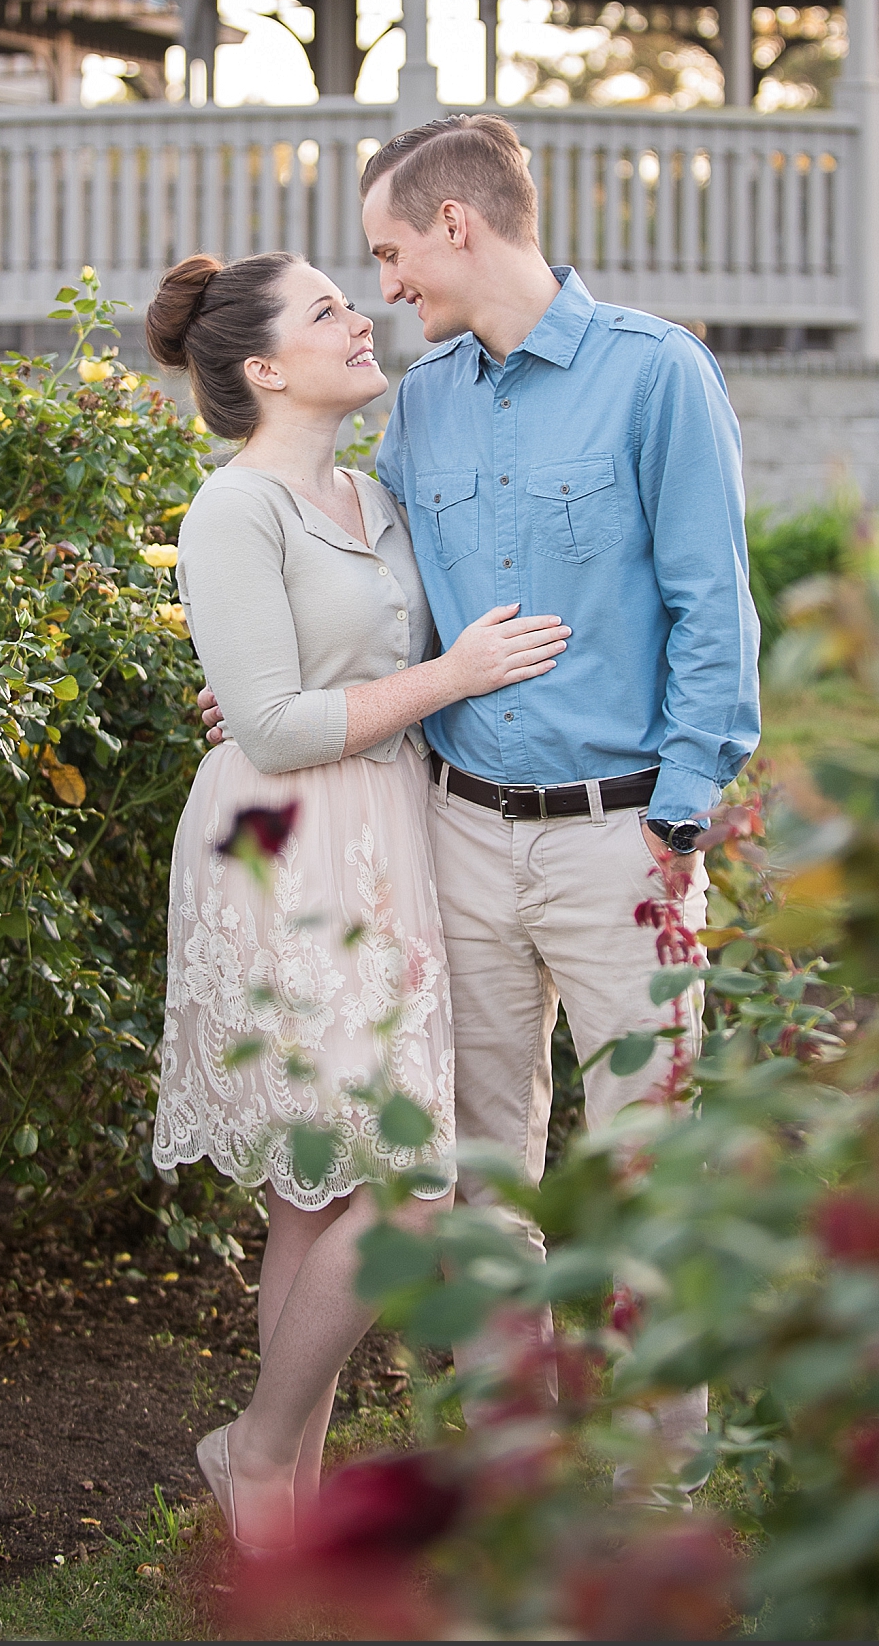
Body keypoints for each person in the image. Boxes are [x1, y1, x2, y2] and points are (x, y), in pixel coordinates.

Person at [200, 114, 759, 1474]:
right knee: (470, 1171)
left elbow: (714, 614)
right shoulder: (427, 402)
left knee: (644, 1163)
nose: (385, 284)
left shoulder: (656, 376)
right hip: (450, 829)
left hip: (623, 834)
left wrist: (678, 822)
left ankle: (649, 1482)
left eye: (391, 252)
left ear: (457, 226)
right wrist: (266, 693)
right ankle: (523, 1469)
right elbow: (381, 598)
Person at [145, 249, 570, 1551]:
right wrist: (455, 673)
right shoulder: (235, 510)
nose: (360, 316)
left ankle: (279, 1495)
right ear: (264, 368)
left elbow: (317, 682)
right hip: (281, 850)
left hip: (388, 836)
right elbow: (272, 728)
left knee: (321, 1194)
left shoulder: (372, 497)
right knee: (404, 1187)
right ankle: (259, 1456)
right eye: (328, 309)